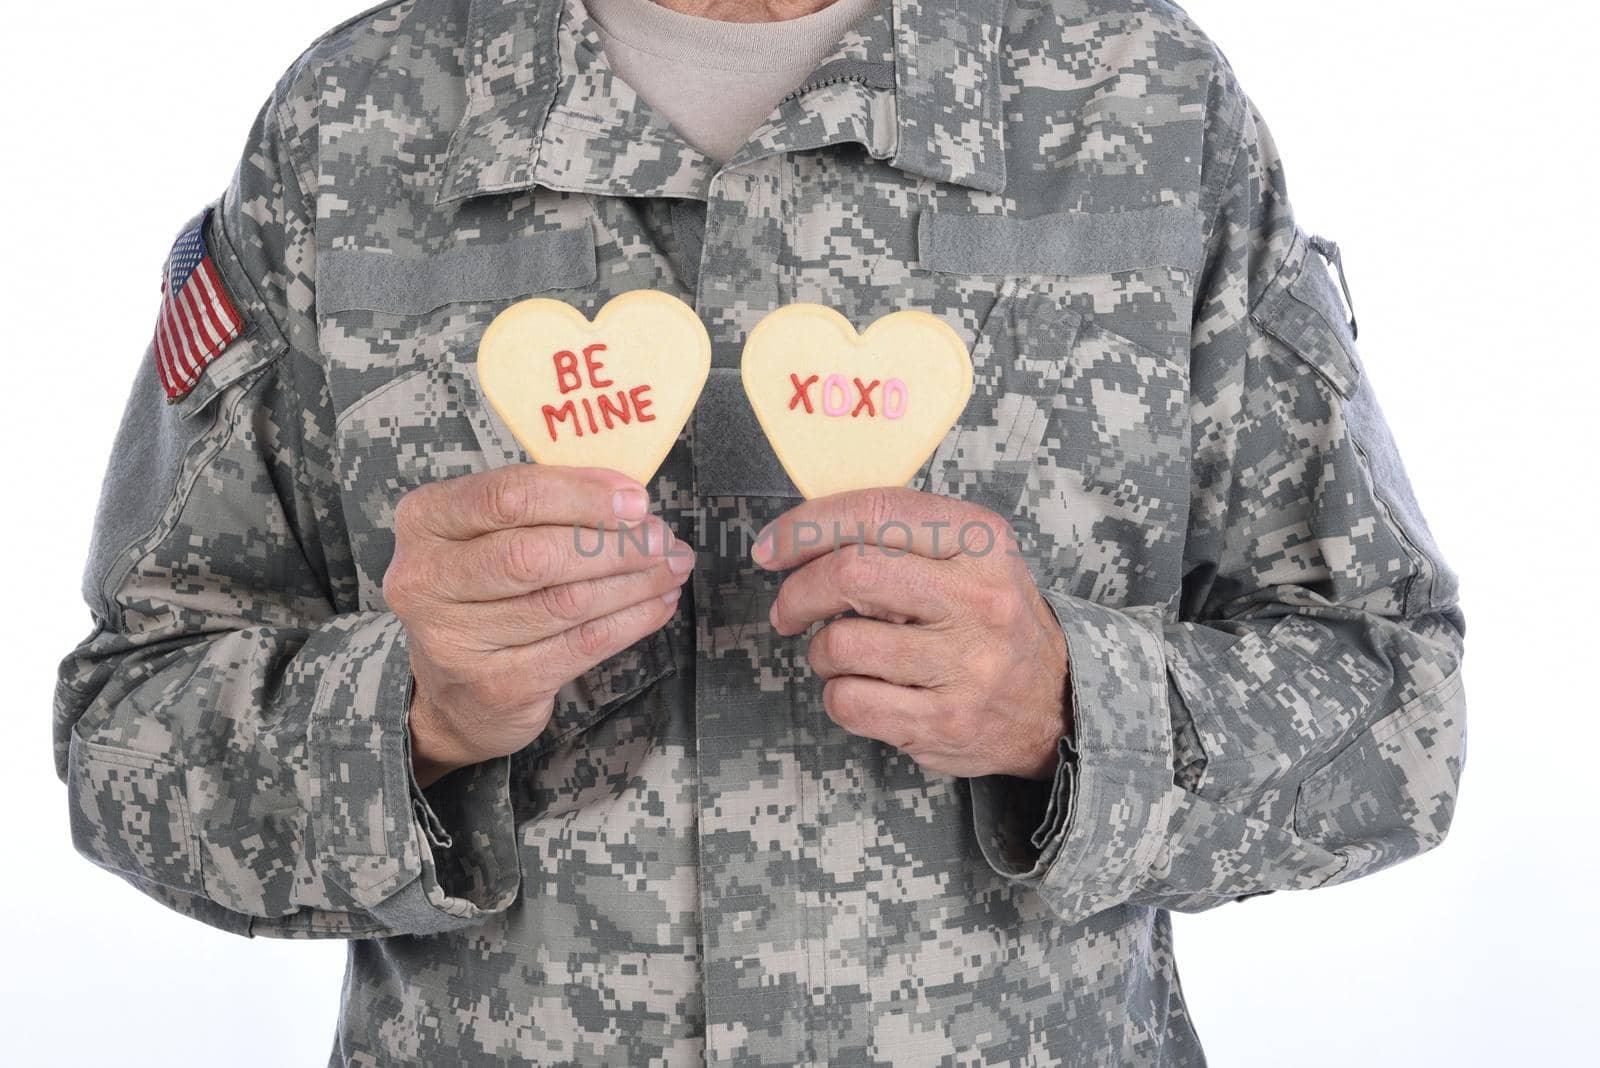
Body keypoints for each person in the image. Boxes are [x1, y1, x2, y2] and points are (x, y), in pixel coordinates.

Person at [55, 0, 1466, 1062]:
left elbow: (1404, 719)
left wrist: (1065, 708)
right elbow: (128, 729)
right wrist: (404, 715)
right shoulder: (353, 125)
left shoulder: (1146, 109)